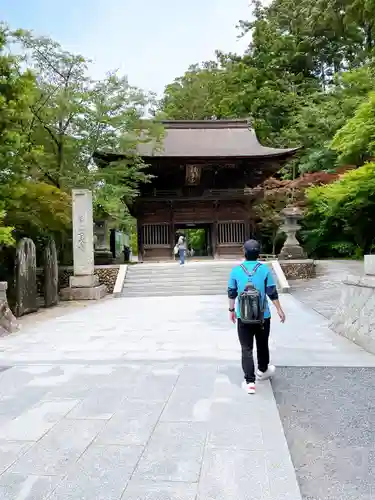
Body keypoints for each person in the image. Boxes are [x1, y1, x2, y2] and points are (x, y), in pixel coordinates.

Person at [227, 239, 286, 394]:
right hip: (263, 316)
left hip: (243, 316)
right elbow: (272, 292)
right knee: (262, 344)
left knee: (246, 348)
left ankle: (250, 382)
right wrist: (279, 310)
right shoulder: (264, 269)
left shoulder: (236, 270)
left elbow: (232, 293)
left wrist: (231, 310)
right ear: (258, 253)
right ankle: (262, 370)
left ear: (244, 252)